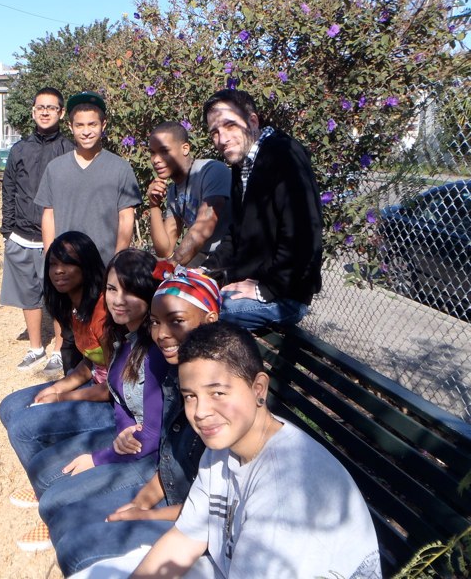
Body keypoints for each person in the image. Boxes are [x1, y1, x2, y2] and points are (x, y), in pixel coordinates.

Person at [75, 322, 381, 579]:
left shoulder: (285, 491)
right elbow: (186, 538)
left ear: (258, 388)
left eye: (218, 393)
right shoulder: (223, 447)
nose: (200, 412)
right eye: (190, 396)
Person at [50, 265, 222, 576]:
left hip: (195, 521)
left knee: (75, 541)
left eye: (176, 321)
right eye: (155, 322)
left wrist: (146, 512)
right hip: (168, 488)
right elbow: (169, 455)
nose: (162, 334)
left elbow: (214, 507)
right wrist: (141, 502)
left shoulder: (219, 398)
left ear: (210, 320)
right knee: (64, 516)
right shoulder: (175, 376)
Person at [20, 249, 168, 550]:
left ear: (149, 294)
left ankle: (64, 523)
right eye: (112, 289)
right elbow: (120, 397)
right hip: (129, 441)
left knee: (54, 498)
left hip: (152, 460)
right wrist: (123, 431)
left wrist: (99, 458)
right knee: (46, 474)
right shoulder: (123, 337)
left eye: (130, 291)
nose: (117, 300)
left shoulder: (155, 352)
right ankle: (59, 516)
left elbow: (154, 436)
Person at [201, 89, 323, 330]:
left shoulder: (284, 154)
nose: (222, 139)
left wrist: (266, 289)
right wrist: (206, 270)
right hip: (251, 285)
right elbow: (236, 233)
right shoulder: (243, 162)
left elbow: (304, 235)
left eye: (230, 125)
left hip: (284, 297)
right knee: (182, 295)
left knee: (194, 313)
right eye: (215, 132)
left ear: (253, 121)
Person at [0, 232, 113, 475]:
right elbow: (90, 363)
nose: (58, 271)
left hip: (115, 402)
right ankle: (47, 473)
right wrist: (57, 388)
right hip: (95, 384)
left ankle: (51, 482)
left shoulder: (103, 313)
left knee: (23, 428)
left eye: (68, 263)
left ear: (86, 265)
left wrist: (62, 398)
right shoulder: (74, 307)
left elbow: (114, 387)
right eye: (53, 264)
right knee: (9, 406)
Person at [0, 87, 75, 374]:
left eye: (51, 107)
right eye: (40, 107)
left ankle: (59, 350)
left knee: (58, 294)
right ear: (33, 112)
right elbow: (9, 188)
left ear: (61, 113)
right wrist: (8, 230)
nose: (45, 112)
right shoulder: (19, 149)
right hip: (21, 234)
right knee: (28, 295)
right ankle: (35, 347)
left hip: (54, 237)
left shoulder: (69, 149)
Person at [35, 91, 142, 266]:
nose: (86, 132)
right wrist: (51, 261)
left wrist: (116, 265)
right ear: (71, 127)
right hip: (65, 267)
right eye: (79, 125)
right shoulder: (55, 168)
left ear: (103, 125)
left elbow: (126, 218)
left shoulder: (120, 168)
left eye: (92, 124)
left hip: (104, 266)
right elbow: (49, 217)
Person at [147, 122, 232, 267]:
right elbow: (164, 250)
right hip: (204, 258)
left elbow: (203, 229)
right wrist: (154, 205)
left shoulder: (211, 171)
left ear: (185, 148)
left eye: (164, 151)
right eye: (152, 153)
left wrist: (171, 267)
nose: (156, 160)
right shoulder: (173, 191)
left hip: (231, 258)